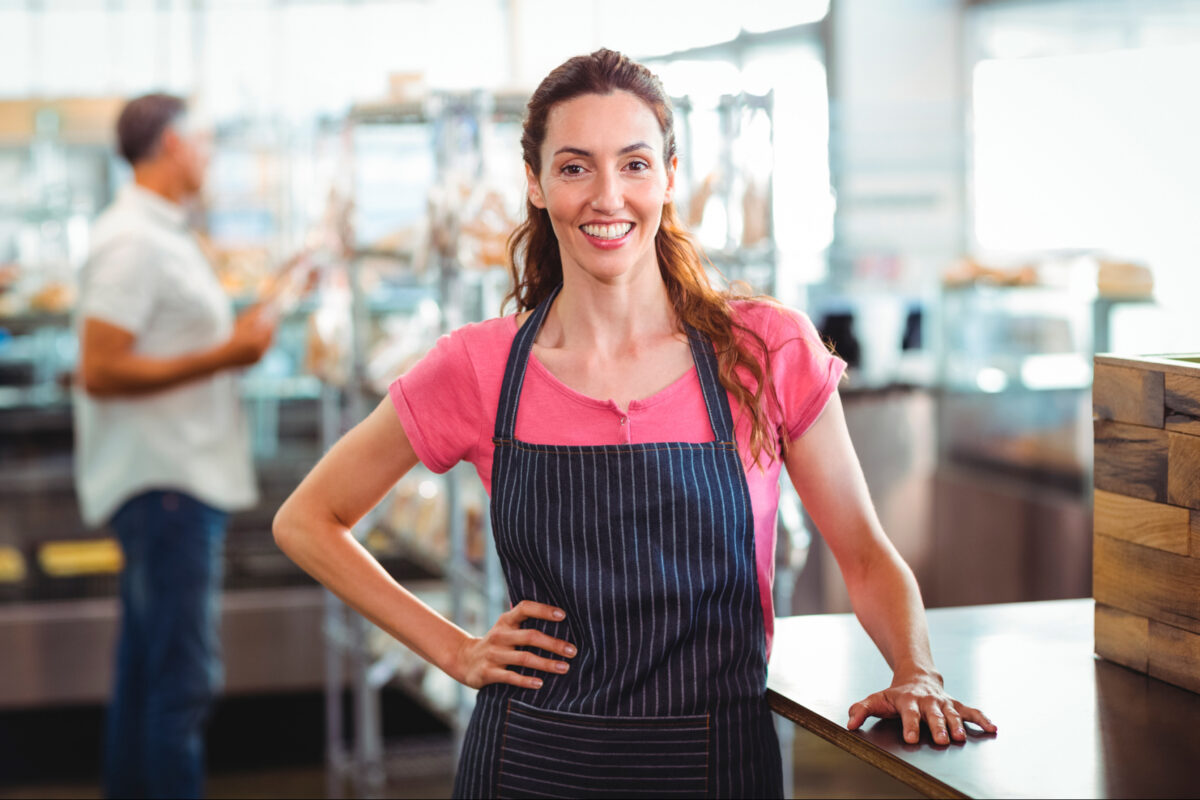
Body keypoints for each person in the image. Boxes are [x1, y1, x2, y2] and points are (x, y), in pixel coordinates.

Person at [274, 49, 995, 798]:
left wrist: (917, 673)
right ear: (536, 182)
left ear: (669, 178)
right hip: (530, 763)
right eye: (576, 167)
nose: (608, 196)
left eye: (635, 164)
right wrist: (454, 652)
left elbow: (867, 555)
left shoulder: (763, 350)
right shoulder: (480, 367)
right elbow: (308, 519)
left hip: (720, 765)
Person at [75, 92, 276, 799]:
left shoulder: (161, 232)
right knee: (182, 685)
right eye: (200, 140)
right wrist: (228, 355)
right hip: (165, 488)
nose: (208, 153)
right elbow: (99, 367)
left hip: (171, 481)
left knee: (147, 675)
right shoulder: (134, 239)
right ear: (166, 146)